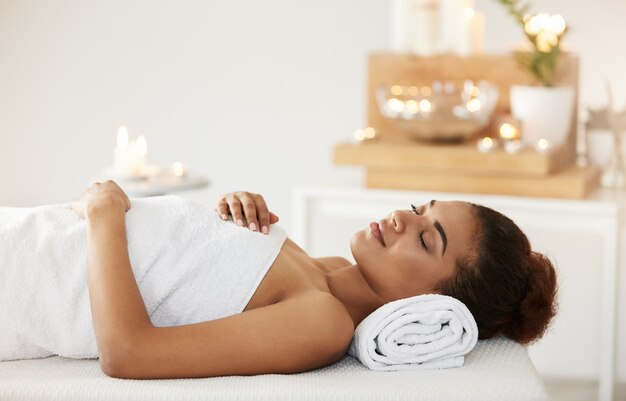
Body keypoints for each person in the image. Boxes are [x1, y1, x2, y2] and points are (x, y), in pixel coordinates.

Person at [23, 180, 559, 379]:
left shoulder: (322, 322)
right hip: (35, 238)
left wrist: (105, 213)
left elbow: (129, 354)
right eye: (422, 208)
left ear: (434, 305)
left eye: (426, 239)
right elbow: (196, 274)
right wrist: (227, 214)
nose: (402, 218)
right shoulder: (323, 272)